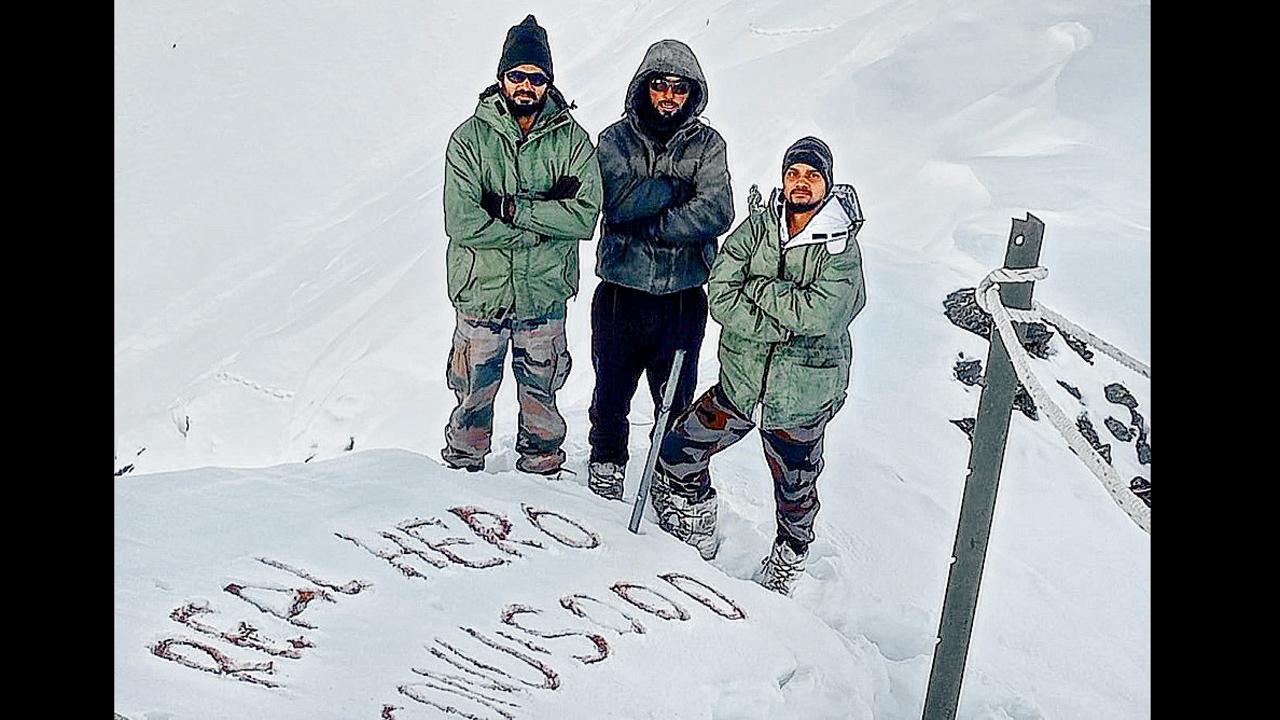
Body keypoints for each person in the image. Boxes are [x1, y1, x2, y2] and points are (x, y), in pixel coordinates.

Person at [652, 136, 867, 596]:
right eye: (794, 174)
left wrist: (762, 290)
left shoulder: (840, 243)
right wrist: (779, 322)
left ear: (827, 183)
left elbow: (824, 314)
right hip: (742, 384)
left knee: (795, 491)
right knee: (678, 449)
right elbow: (724, 289)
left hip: (800, 398)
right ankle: (697, 512)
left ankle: (789, 556)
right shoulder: (760, 226)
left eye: (812, 176)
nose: (801, 183)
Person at [440, 15, 602, 476]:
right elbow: (464, 221)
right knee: (473, 392)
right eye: (517, 76)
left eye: (536, 78)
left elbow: (586, 216)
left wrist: (513, 211)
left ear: (549, 82)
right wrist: (546, 223)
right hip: (481, 294)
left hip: (543, 294)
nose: (526, 86)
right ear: (501, 79)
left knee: (542, 397)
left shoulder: (573, 141)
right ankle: (460, 474)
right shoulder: (468, 141)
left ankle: (543, 470)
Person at [587, 39, 734, 500]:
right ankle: (607, 460)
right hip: (620, 291)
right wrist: (676, 190)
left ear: (692, 94)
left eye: (679, 88)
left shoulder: (708, 145)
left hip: (682, 295)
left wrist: (649, 222)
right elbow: (613, 202)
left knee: (675, 396)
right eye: (660, 86)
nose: (669, 96)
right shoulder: (613, 140)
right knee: (611, 388)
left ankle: (669, 473)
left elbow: (716, 210)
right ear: (644, 87)